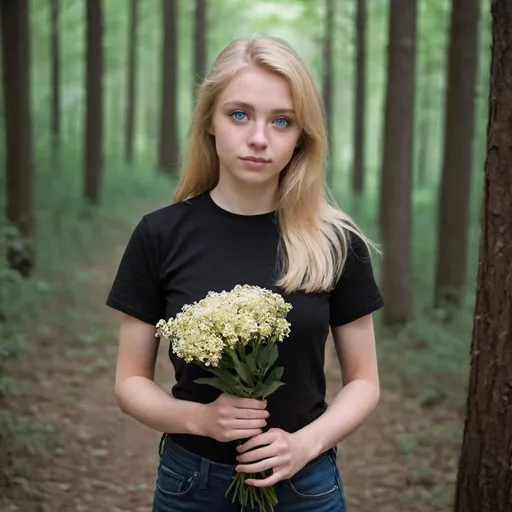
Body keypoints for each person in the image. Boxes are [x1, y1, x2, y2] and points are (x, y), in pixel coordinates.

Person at [106, 35, 383, 512]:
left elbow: (365, 382)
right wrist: (201, 420)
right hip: (191, 485)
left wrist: (305, 445)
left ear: (301, 136)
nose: (259, 137)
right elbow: (130, 382)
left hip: (305, 485)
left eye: (281, 121)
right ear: (210, 123)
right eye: (239, 114)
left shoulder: (336, 242)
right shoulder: (160, 234)